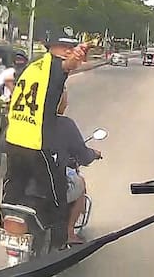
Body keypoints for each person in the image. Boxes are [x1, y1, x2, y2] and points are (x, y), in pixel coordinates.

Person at [1, 26, 88, 249]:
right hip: (37, 145)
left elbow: (13, 85)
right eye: (65, 47)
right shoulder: (54, 67)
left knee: (12, 192)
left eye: (72, 47)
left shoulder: (32, 66)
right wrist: (75, 59)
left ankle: (8, 233)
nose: (69, 51)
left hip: (13, 141)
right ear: (53, 48)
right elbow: (66, 67)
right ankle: (60, 245)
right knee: (58, 197)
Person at [53, 86, 101, 244]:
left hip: (27, 174)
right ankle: (69, 233)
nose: (66, 104)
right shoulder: (65, 124)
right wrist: (93, 154)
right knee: (80, 184)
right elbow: (83, 155)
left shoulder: (30, 122)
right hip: (54, 178)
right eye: (64, 99)